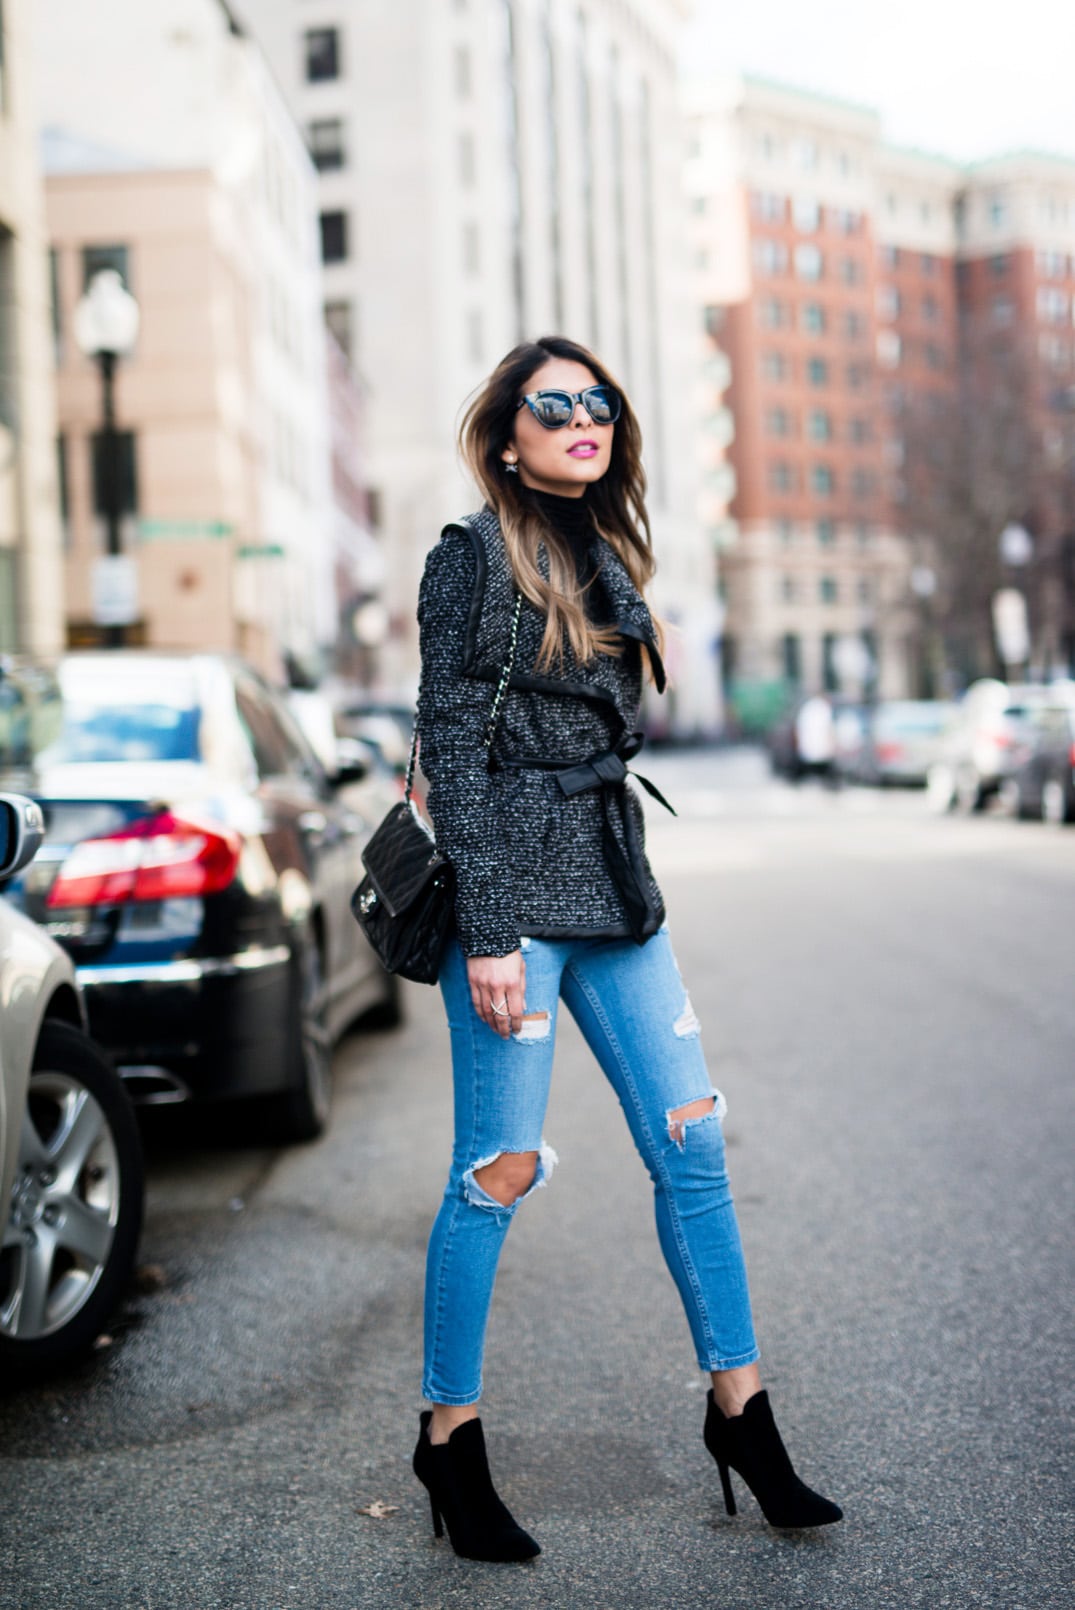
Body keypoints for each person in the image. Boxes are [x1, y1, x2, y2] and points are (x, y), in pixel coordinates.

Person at [412, 336, 842, 1561]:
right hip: (514, 898)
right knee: (494, 1168)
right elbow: (450, 736)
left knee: (691, 1136)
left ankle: (742, 1415)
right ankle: (449, 1437)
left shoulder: (600, 550)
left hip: (612, 887)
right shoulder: (471, 554)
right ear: (507, 433)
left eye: (596, 402)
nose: (580, 419)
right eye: (553, 406)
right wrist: (488, 927)